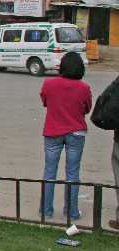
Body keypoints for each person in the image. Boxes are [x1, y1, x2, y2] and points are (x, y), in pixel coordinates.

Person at [39, 52, 92, 220]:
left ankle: (46, 211)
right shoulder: (84, 87)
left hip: (53, 131)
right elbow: (87, 108)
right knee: (72, 173)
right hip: (76, 132)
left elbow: (45, 102)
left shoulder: (49, 84)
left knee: (49, 172)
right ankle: (71, 212)